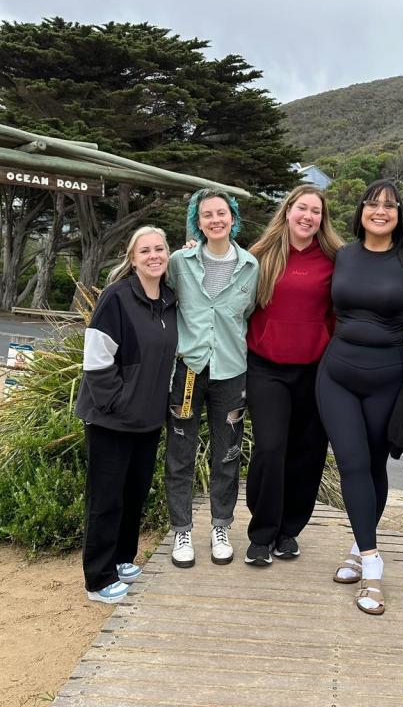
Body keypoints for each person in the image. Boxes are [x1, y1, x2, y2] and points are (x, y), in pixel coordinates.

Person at [316, 179, 403, 615]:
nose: (380, 210)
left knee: (372, 466)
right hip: (337, 374)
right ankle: (372, 563)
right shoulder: (343, 254)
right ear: (361, 210)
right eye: (372, 203)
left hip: (389, 377)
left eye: (390, 205)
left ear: (400, 213)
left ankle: (356, 545)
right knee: (349, 462)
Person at [76, 226, 178, 603]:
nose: (154, 255)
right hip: (111, 420)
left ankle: (121, 560)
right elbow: (97, 357)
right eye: (145, 250)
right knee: (106, 499)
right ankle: (98, 579)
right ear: (132, 259)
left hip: (148, 420)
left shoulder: (169, 300)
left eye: (160, 249)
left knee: (133, 494)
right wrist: (114, 404)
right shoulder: (117, 297)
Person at [242, 185, 344, 566]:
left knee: (308, 452)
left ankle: (289, 532)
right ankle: (262, 533)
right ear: (288, 211)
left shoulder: (336, 260)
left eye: (315, 211)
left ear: (322, 219)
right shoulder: (260, 256)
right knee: (270, 448)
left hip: (316, 371)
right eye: (302, 208)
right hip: (266, 368)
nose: (308, 216)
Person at [164, 189, 259, 568]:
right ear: (197, 222)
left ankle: (221, 526)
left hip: (231, 372)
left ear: (233, 218)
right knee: (180, 451)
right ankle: (182, 530)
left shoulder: (251, 267)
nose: (216, 220)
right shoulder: (179, 262)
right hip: (188, 371)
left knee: (227, 454)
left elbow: (248, 312)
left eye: (222, 213)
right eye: (207, 215)